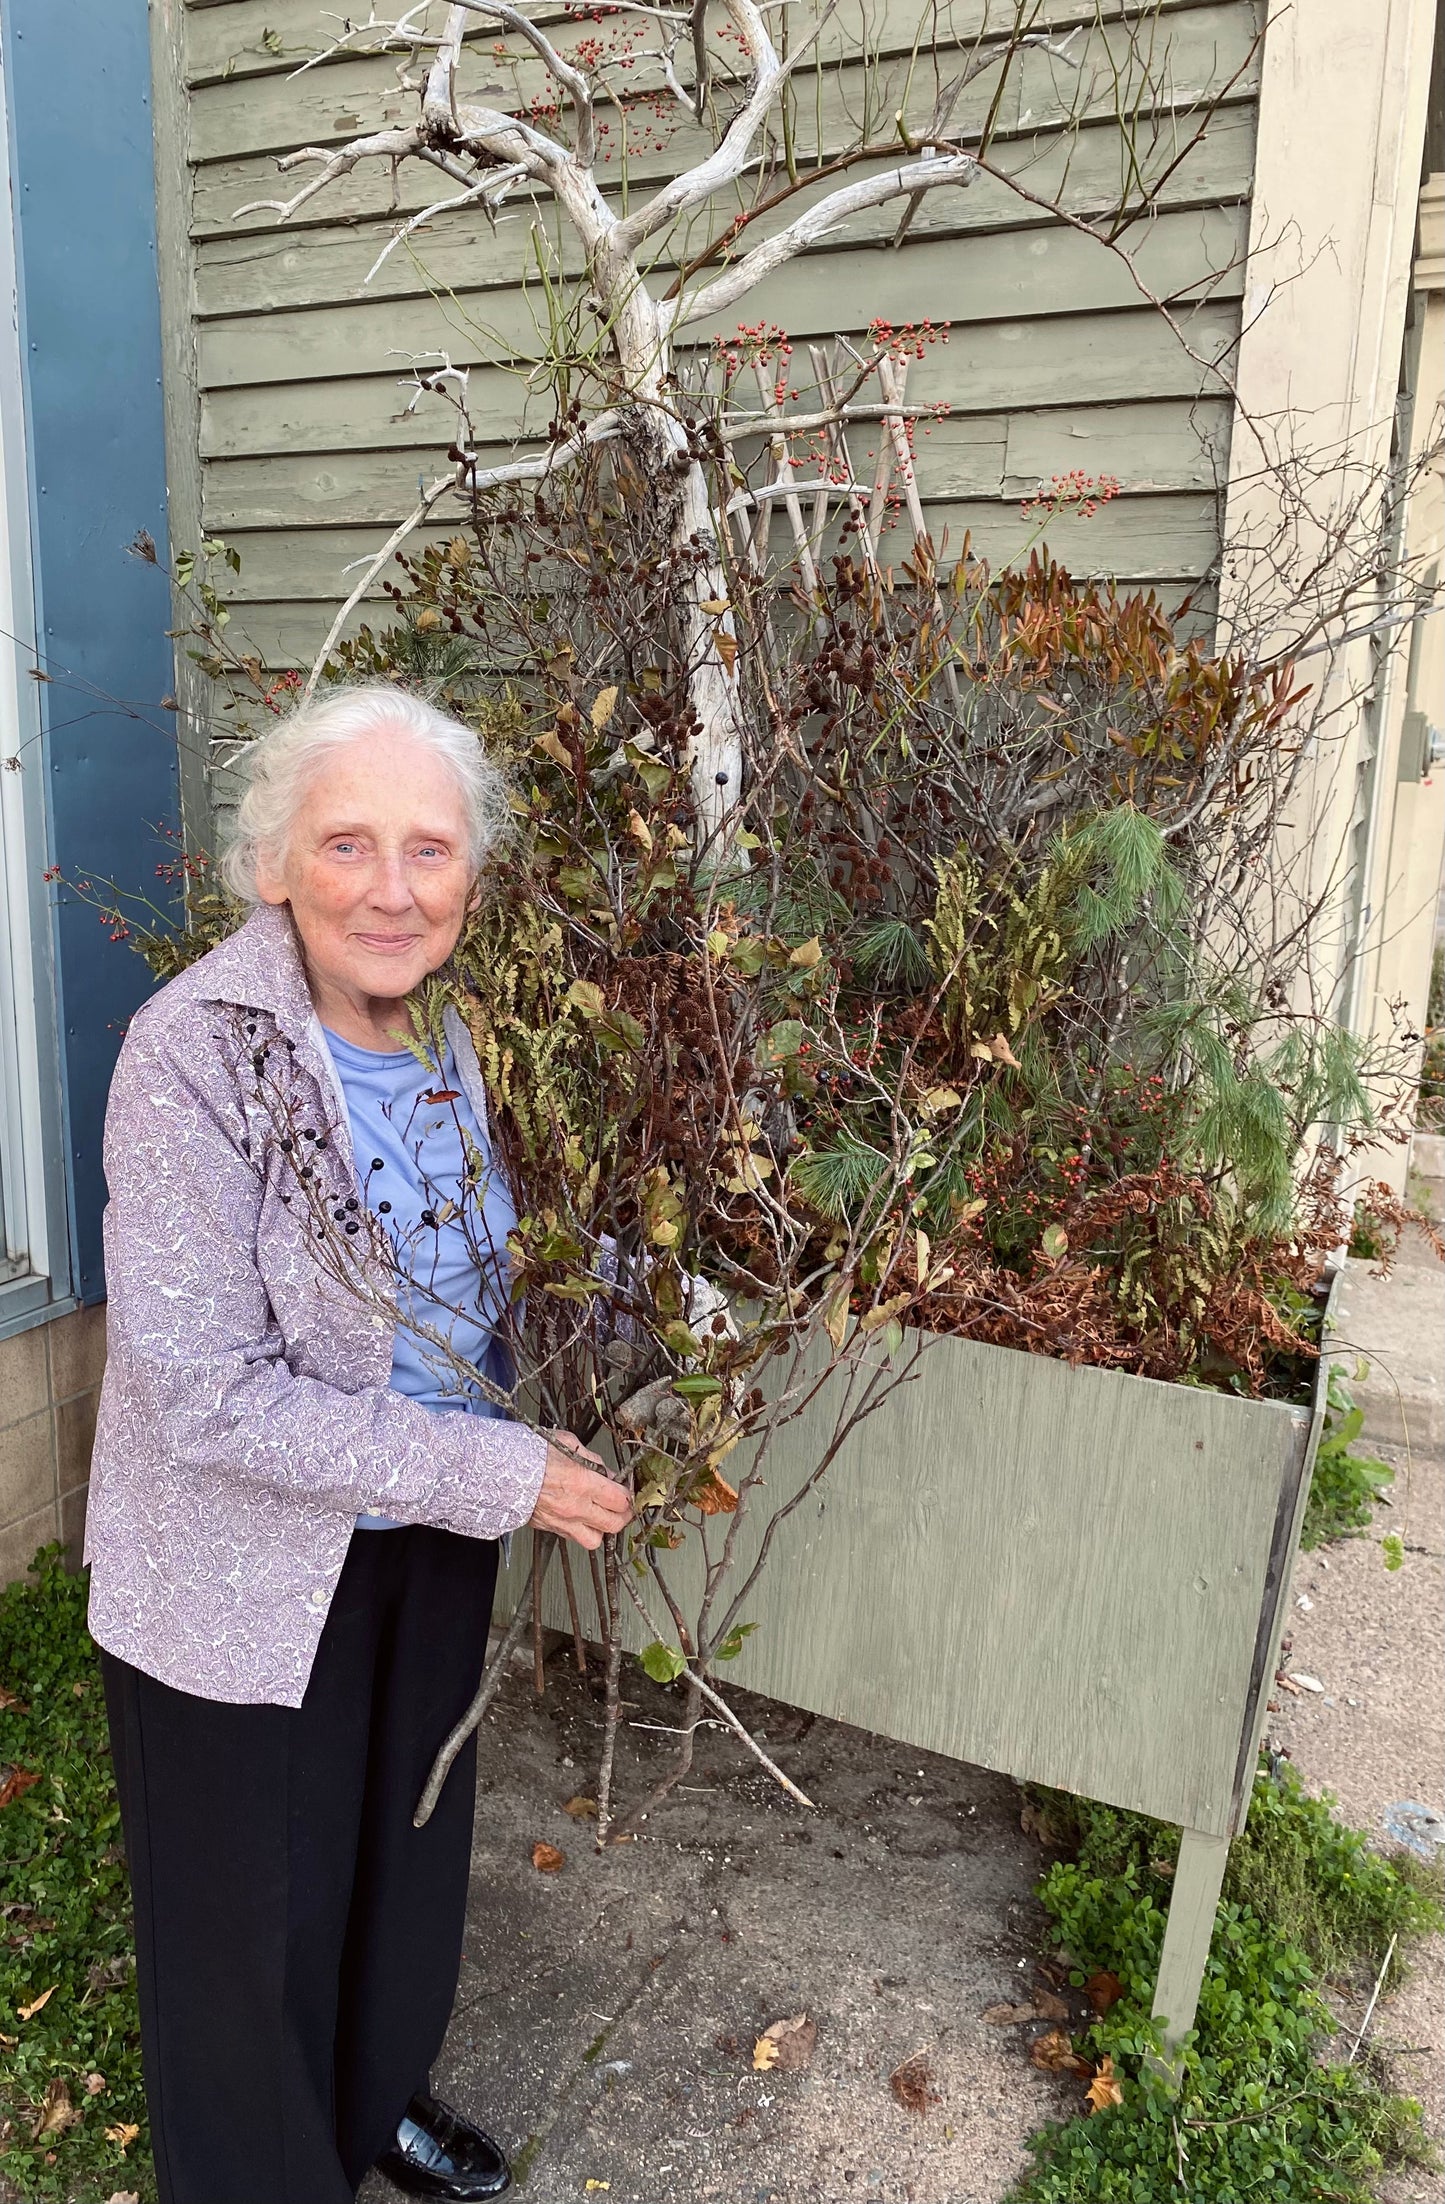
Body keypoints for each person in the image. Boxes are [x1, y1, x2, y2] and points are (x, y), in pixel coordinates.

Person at [85, 684, 633, 2204]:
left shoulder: (464, 1040)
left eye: (430, 849)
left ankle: (374, 2095)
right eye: (347, 843)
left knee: (400, 1861)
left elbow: (494, 1271)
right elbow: (207, 1396)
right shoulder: (194, 1055)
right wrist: (502, 1475)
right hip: (243, 1580)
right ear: (274, 867)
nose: (393, 889)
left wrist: (608, 1347)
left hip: (427, 1543)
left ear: (470, 876)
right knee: (251, 1919)